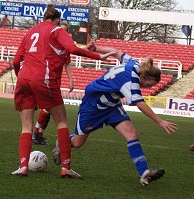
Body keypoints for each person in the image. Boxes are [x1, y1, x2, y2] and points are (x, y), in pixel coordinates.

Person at [11, 5, 114, 178]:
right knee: (62, 122)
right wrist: (98, 56)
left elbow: (16, 61)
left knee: (26, 127)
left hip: (23, 79)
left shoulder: (30, 32)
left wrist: (20, 77)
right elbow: (72, 49)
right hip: (43, 78)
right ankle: (65, 167)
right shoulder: (57, 30)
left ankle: (22, 166)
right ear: (58, 20)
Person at [52, 44, 177, 186]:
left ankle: (144, 173)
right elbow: (140, 104)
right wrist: (160, 121)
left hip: (112, 106)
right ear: (144, 77)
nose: (148, 88)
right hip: (93, 106)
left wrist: (96, 49)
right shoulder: (131, 80)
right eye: (149, 85)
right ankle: (61, 142)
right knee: (77, 143)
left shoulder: (134, 63)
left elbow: (117, 52)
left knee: (132, 134)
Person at [32, 21, 73, 145]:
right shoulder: (49, 42)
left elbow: (67, 63)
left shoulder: (65, 47)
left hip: (56, 81)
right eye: (61, 29)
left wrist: (71, 79)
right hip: (46, 78)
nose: (62, 32)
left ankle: (37, 133)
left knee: (48, 108)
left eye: (65, 30)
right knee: (48, 108)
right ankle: (36, 133)